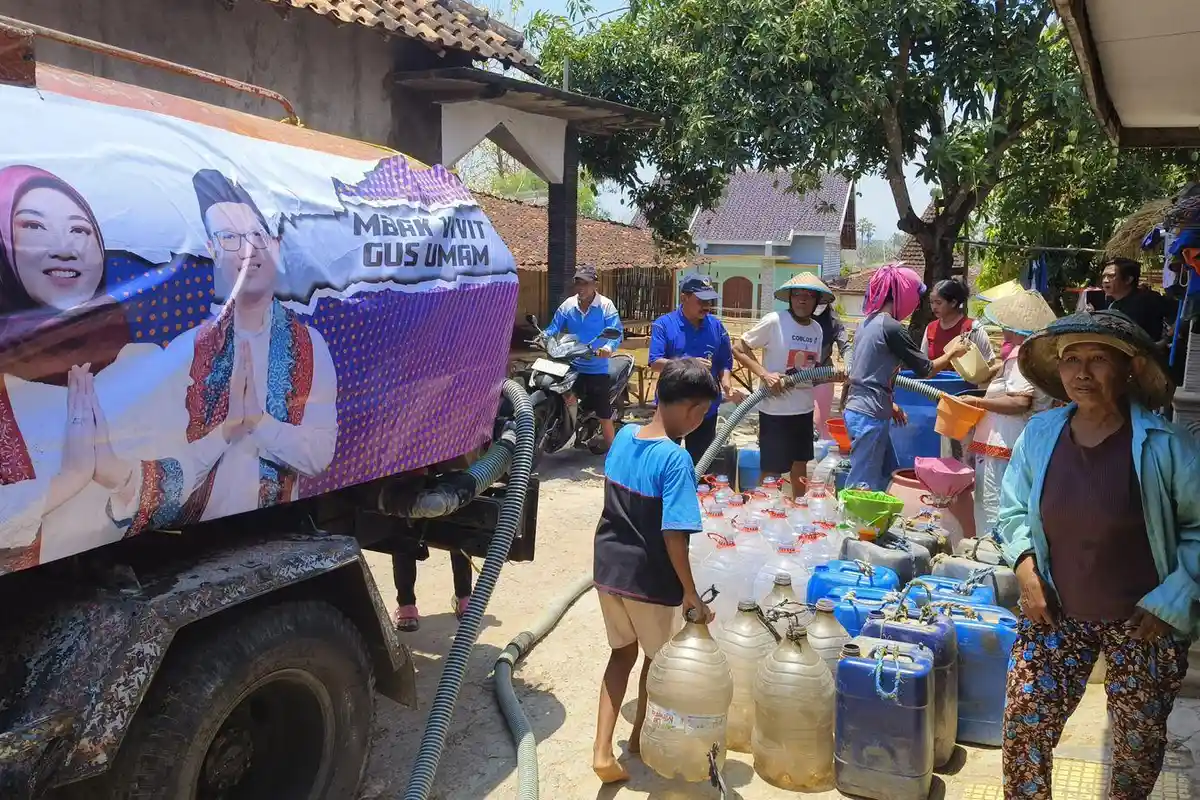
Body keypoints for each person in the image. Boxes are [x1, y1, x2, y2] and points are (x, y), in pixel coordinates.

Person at [996, 310, 1200, 800]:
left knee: (1136, 745)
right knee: (1025, 726)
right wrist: (1026, 571)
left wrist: (1169, 602)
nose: (1081, 373)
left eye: (1098, 359)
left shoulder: (1165, 444)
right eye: (1071, 360)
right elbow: (1013, 511)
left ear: (1129, 368)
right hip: (1055, 614)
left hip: (1144, 622)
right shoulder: (1041, 434)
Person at [112, 169, 339, 533]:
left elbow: (318, 456)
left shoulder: (309, 345)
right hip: (188, 542)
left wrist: (258, 423)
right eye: (230, 238)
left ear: (276, 245)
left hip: (274, 529)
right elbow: (162, 466)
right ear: (212, 250)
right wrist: (226, 432)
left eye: (256, 235)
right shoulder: (186, 352)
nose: (248, 250)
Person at [0, 165, 157, 570]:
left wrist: (118, 476)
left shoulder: (145, 361)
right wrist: (68, 479)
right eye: (34, 228)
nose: (64, 248)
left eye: (80, 231)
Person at [591, 357, 717, 783]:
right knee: (655, 660)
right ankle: (640, 741)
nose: (700, 421)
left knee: (619, 655)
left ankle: (602, 750)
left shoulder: (624, 437)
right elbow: (674, 536)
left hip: (608, 570)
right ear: (692, 410)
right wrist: (691, 594)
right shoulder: (675, 460)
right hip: (649, 580)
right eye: (701, 413)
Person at [842, 263, 967, 491]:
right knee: (861, 484)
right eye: (915, 298)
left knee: (886, 474)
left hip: (860, 408)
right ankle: (851, 523)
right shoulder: (892, 328)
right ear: (903, 294)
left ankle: (874, 523)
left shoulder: (867, 323)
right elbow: (926, 369)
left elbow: (867, 371)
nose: (917, 304)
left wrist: (890, 405)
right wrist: (952, 353)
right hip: (870, 414)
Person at [956, 290, 1055, 538]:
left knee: (994, 506)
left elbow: (1020, 401)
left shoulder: (1022, 356)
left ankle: (991, 556)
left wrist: (977, 403)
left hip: (1004, 442)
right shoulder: (1035, 355)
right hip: (1019, 440)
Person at [734, 273, 833, 496]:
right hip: (775, 409)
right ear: (790, 298)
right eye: (797, 295)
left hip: (803, 408)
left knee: (800, 465)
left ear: (817, 302)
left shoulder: (816, 329)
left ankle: (799, 508)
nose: (802, 300)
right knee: (772, 470)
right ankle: (761, 511)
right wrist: (765, 374)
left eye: (808, 296)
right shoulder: (774, 321)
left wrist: (834, 374)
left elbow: (812, 368)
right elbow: (739, 348)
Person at [648, 274, 734, 465]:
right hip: (672, 406)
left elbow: (725, 362)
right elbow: (654, 362)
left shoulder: (716, 326)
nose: (706, 306)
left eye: (709, 301)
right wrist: (688, 363)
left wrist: (727, 384)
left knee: (701, 467)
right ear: (684, 297)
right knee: (664, 463)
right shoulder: (664, 324)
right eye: (701, 300)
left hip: (705, 409)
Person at [541, 264, 624, 452]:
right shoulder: (568, 305)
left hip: (596, 366)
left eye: (585, 283)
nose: (580, 288)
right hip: (572, 363)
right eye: (578, 283)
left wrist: (608, 347)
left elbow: (617, 332)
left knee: (603, 412)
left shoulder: (605, 305)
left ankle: (613, 455)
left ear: (595, 284)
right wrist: (543, 336)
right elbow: (554, 327)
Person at [922, 278, 997, 380]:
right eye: (931, 302)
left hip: (964, 391)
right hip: (932, 389)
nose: (934, 307)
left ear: (953, 303)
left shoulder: (973, 328)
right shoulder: (930, 328)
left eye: (938, 303)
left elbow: (989, 363)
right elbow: (923, 366)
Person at [1102, 257, 1176, 351]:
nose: (1105, 280)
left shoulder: (1149, 298)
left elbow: (1182, 314)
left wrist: (1165, 340)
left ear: (1128, 279)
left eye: (1111, 276)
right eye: (1104, 276)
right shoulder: (1112, 304)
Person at [812, 300, 852, 440]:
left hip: (822, 376)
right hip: (796, 378)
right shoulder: (795, 318)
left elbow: (846, 346)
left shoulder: (833, 320)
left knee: (816, 424)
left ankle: (818, 456)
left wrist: (849, 366)